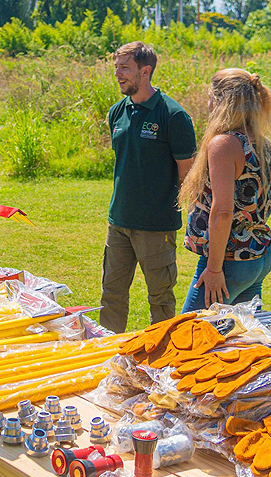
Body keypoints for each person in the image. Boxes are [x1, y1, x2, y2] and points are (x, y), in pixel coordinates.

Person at [99, 42, 197, 334]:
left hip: (156, 227)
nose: (118, 74)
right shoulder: (118, 112)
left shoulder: (173, 115)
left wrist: (191, 220)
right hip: (119, 222)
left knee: (161, 300)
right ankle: (107, 354)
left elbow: (188, 176)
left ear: (146, 71)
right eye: (116, 67)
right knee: (111, 296)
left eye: (125, 68)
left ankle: (163, 359)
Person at [180, 68, 271, 311]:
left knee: (188, 337)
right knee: (241, 339)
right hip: (256, 260)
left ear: (220, 101)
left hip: (229, 262)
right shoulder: (257, 141)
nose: (207, 102)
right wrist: (250, 218)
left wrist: (213, 269)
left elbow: (222, 211)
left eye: (210, 97)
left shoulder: (224, 144)